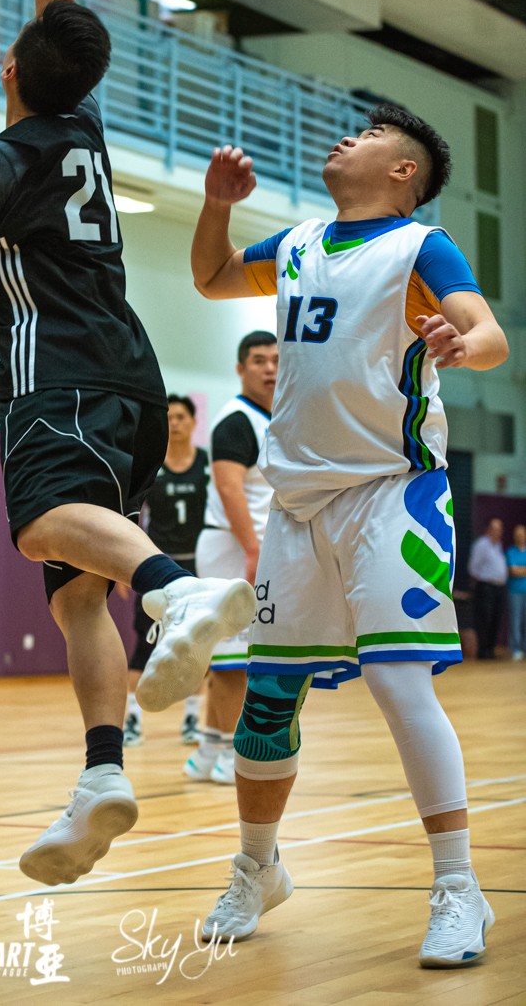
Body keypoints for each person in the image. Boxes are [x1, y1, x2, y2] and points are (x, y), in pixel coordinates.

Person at [0, 0, 255, 888]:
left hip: (55, 373)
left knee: (39, 524)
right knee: (74, 598)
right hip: (132, 378)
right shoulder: (85, 128)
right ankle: (102, 773)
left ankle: (173, 590)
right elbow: (58, 36)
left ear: (9, 69)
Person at [190, 104, 508, 967]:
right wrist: (215, 204)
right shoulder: (296, 243)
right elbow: (212, 277)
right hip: (297, 506)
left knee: (398, 681)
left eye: (366, 136)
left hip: (390, 494)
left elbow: (488, 334)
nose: (344, 138)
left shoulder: (419, 247)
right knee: (266, 702)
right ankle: (256, 867)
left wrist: (461, 340)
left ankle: (458, 887)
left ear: (403, 171)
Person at [185, 331, 277, 786]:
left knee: (233, 658)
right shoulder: (236, 420)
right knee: (234, 661)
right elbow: (228, 487)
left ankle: (208, 752)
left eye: (276, 359)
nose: (270, 368)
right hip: (232, 547)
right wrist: (254, 548)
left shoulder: (274, 417)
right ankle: (229, 755)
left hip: (245, 547)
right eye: (258, 360)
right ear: (240, 369)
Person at [123, 394, 210, 748]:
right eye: (169, 417)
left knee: (200, 643)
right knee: (145, 644)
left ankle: (192, 719)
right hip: (158, 567)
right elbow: (130, 513)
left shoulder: (207, 464)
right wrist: (125, 565)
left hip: (199, 565)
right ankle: (131, 720)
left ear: (193, 422)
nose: (174, 423)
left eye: (181, 417)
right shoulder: (150, 464)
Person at [467, 517, 507, 659]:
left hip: (499, 588)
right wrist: (482, 581)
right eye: (495, 529)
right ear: (489, 529)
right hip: (486, 587)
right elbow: (473, 567)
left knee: (496, 618)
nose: (498, 532)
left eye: (500, 529)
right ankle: (483, 651)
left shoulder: (498, 545)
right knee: (485, 619)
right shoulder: (482, 545)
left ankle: (490, 649)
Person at [504, 524, 526, 661]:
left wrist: (520, 569)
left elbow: (517, 570)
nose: (520, 537)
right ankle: (516, 648)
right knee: (516, 621)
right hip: (514, 592)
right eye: (518, 535)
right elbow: (513, 571)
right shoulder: (511, 552)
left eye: (522, 534)